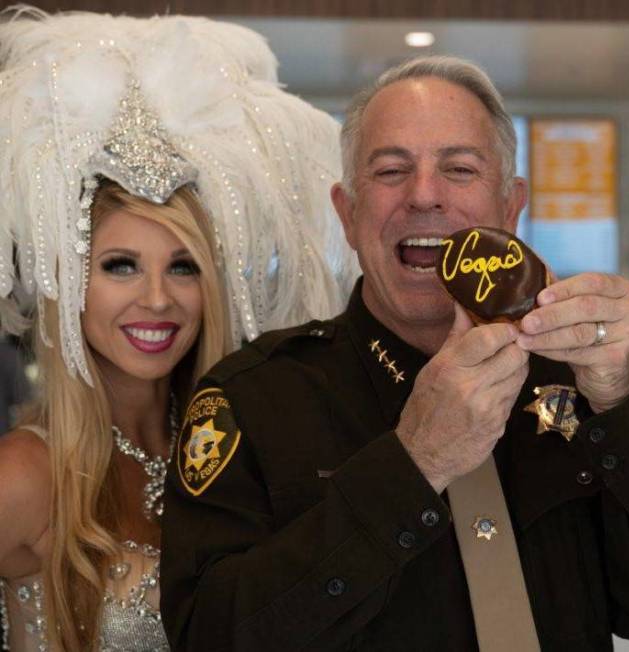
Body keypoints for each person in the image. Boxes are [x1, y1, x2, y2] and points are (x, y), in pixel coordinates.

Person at [160, 56, 629, 651]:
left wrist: (622, 403)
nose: (424, 196)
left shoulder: (581, 386)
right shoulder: (252, 398)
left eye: (459, 168)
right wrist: (414, 463)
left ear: (510, 208)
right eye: (391, 170)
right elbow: (210, 635)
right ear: (348, 213)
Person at [0, 9, 355, 651]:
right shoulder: (25, 476)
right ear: (71, 286)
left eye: (183, 267)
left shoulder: (242, 452)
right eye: (121, 266)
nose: (157, 299)